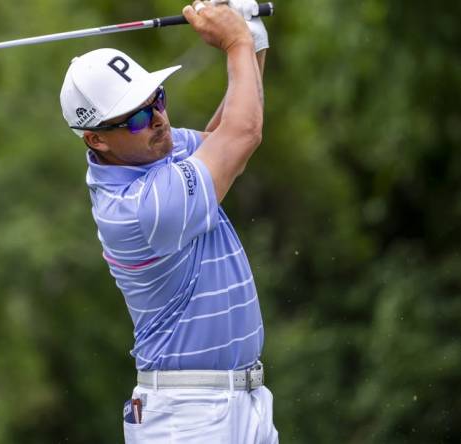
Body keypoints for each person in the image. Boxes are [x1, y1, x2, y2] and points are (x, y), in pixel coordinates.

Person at [59, 0, 277, 442]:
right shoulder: (139, 207)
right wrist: (233, 40)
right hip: (187, 417)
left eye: (156, 99)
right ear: (97, 138)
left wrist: (251, 41)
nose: (158, 119)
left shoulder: (156, 149)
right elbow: (242, 136)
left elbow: (226, 138)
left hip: (244, 402)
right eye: (137, 117)